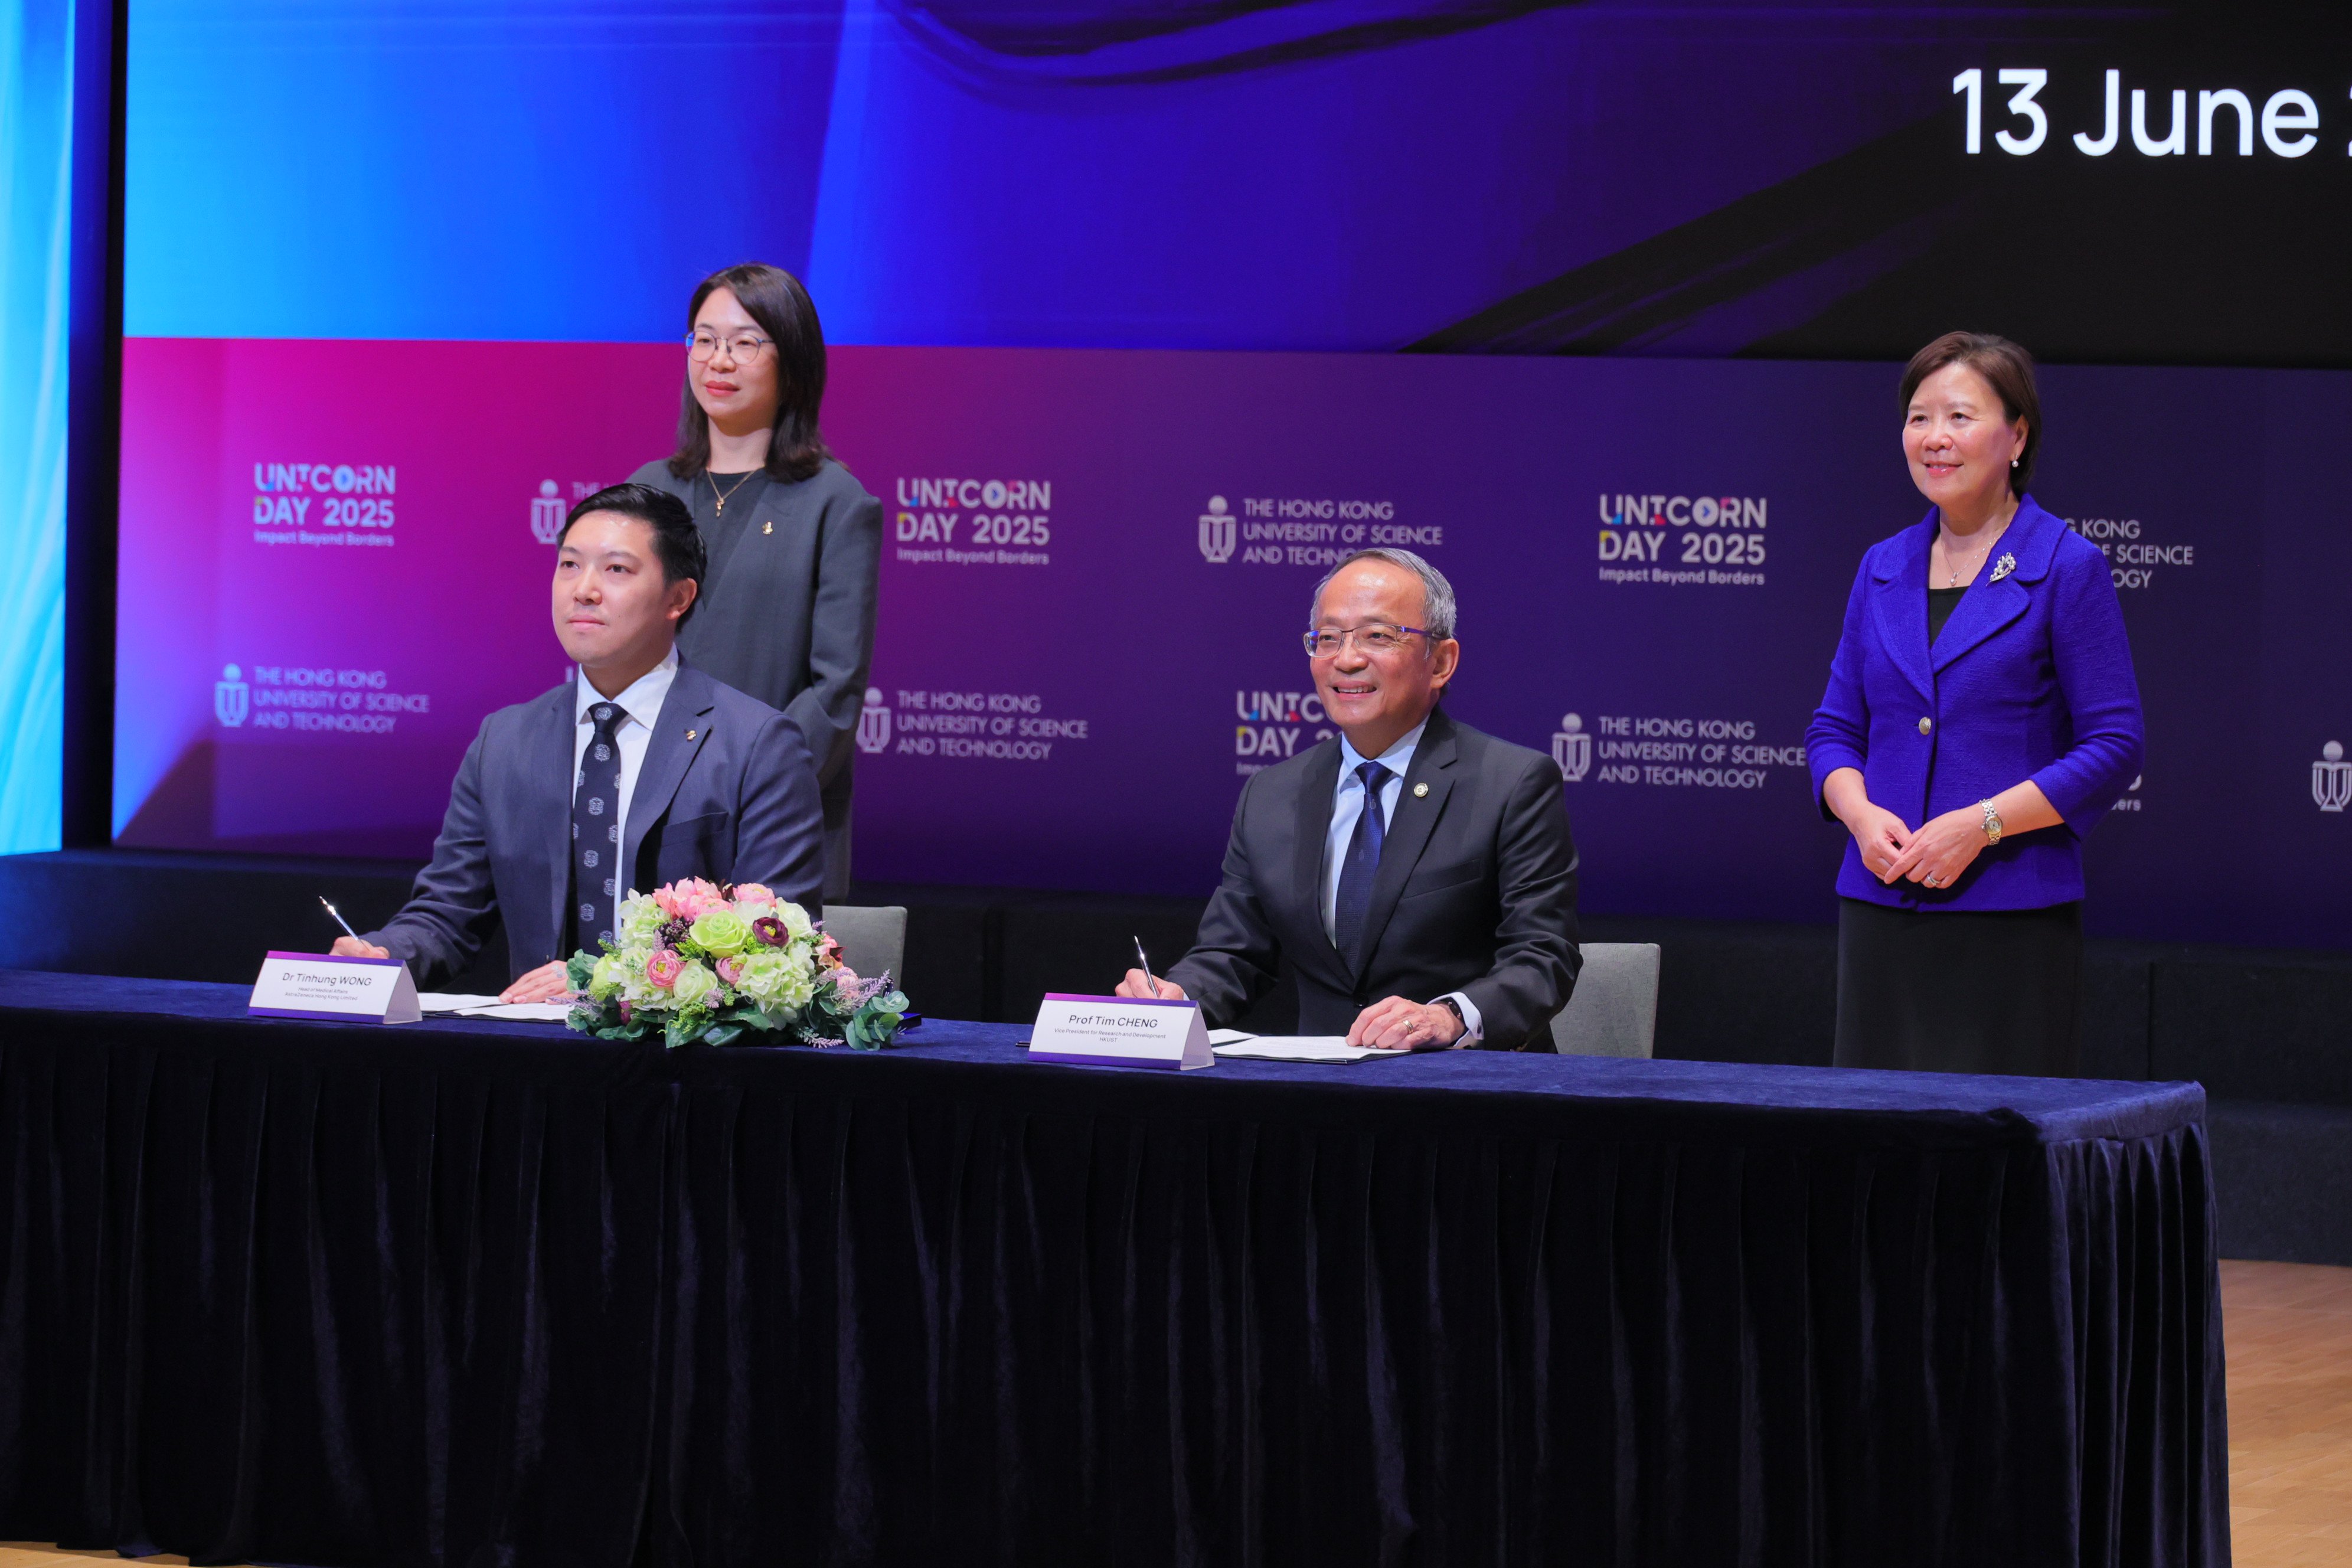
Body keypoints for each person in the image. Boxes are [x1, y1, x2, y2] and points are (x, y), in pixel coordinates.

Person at [335, 484, 825, 999]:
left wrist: (610, 982)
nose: (583, 590)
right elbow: (449, 914)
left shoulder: (756, 744)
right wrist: (385, 954)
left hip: (683, 1066)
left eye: (616, 570)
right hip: (541, 1060)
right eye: (569, 565)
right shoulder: (504, 742)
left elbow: (775, 943)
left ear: (678, 598)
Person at [1805, 332, 2144, 1076]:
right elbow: (1834, 729)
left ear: (2016, 434)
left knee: (1989, 1160)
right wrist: (1860, 817)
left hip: (2009, 916)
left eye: (1959, 417)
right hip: (1880, 905)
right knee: (1873, 1146)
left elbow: (2115, 744)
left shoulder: (2067, 564)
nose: (1935, 439)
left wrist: (1981, 825)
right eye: (1919, 418)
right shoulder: (1883, 565)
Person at [1117, 548, 1581, 1051]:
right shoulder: (1272, 794)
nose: (1346, 659)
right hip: (1322, 1102)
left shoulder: (1511, 783)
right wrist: (1174, 998)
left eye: (1378, 636)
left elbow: (1543, 956)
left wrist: (1449, 1017)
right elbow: (1234, 953)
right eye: (1328, 638)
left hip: (1464, 1093)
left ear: (1442, 661)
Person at [628, 263, 881, 903]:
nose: (719, 360)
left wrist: (749, 782)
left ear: (791, 358)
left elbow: (835, 689)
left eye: (745, 343)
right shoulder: (649, 490)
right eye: (704, 339)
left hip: (773, 821)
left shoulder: (836, 501)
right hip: (649, 811)